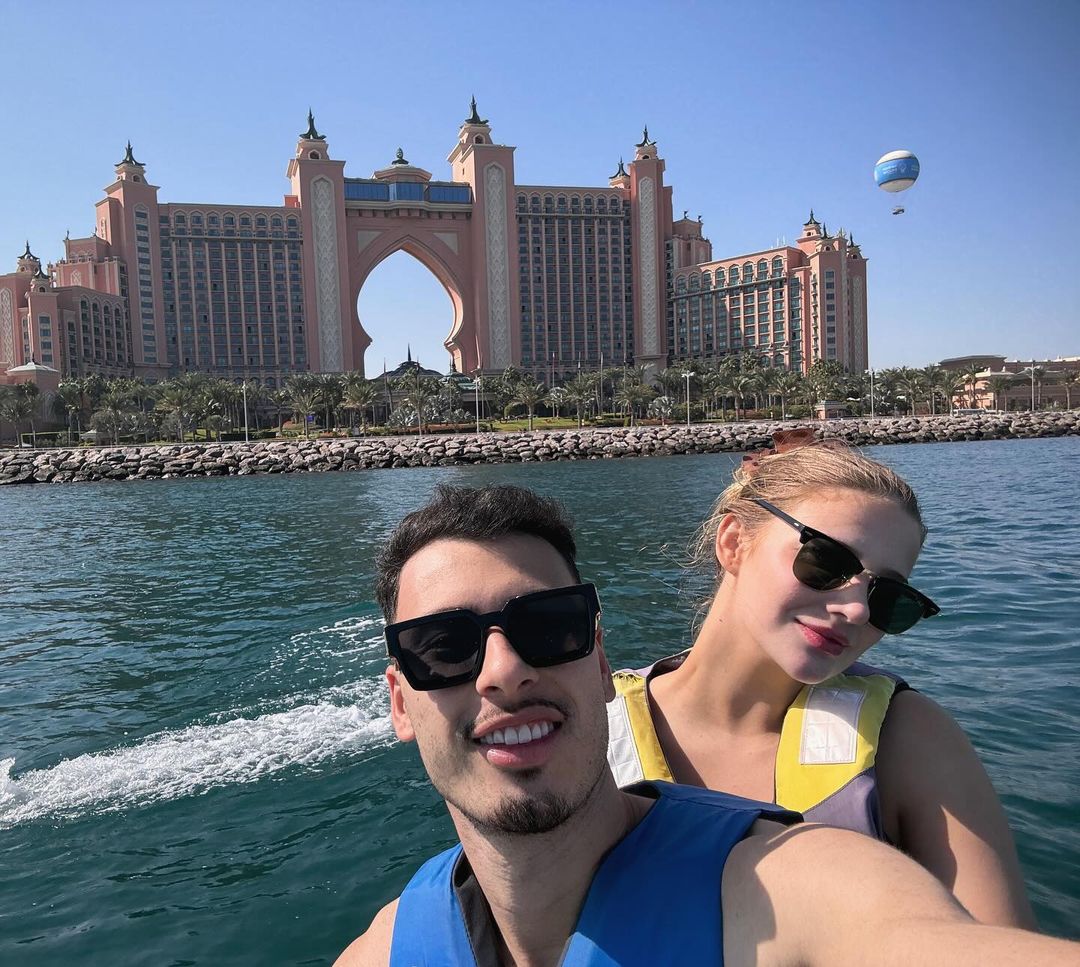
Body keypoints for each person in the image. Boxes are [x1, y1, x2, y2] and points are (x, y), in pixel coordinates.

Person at [335, 483, 1077, 967]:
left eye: (550, 627)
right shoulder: (395, 943)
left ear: (600, 660)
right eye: (443, 647)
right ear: (399, 702)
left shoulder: (790, 876)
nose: (503, 671)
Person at [607, 431, 1036, 928]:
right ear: (733, 543)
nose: (856, 610)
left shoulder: (907, 738)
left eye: (887, 598)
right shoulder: (590, 724)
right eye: (826, 562)